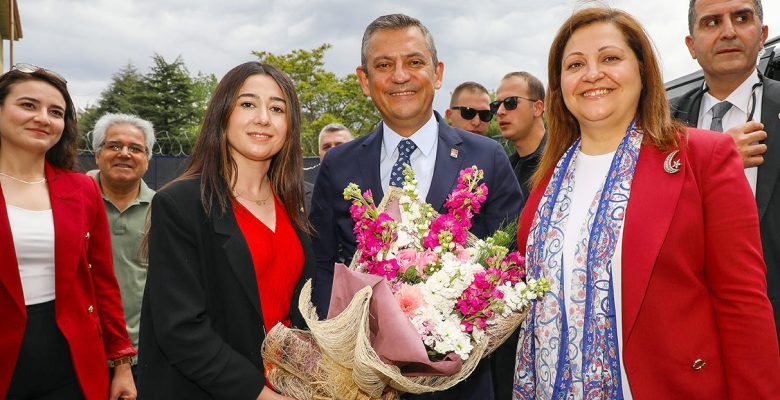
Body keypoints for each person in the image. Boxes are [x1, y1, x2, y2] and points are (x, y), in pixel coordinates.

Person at [514, 7, 780, 399]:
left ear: (642, 71)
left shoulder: (704, 157)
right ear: (560, 86)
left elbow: (742, 306)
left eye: (610, 58)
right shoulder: (546, 186)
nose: (592, 74)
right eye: (575, 64)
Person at [309, 14, 522, 400]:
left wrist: (457, 339)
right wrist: (341, 348)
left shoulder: (487, 158)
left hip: (464, 384)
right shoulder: (338, 166)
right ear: (364, 79)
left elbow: (509, 264)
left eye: (414, 62)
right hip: (364, 386)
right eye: (384, 65)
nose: (400, 76)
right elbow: (323, 263)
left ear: (437, 73)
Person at [136, 62, 313, 400]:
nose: (263, 118)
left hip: (289, 386)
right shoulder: (180, 204)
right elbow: (181, 328)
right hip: (214, 389)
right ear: (222, 114)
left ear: (290, 125)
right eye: (247, 104)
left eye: (277, 108)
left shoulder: (298, 204)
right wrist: (260, 395)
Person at [0, 65, 136, 399]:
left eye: (56, 111)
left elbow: (103, 279)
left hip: (71, 358)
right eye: (28, 105)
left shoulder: (81, 189)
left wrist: (121, 364)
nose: (43, 118)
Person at [671, 0, 780, 341]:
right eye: (711, 22)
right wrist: (713, 158)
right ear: (691, 45)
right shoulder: (663, 124)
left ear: (762, 35)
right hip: (689, 327)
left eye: (742, 18)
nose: (728, 31)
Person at [91, 113, 156, 378]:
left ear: (147, 159)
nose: (125, 154)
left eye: (135, 148)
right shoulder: (72, 204)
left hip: (144, 353)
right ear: (97, 154)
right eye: (114, 146)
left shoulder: (163, 211)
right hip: (82, 349)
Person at [493, 72, 547, 200]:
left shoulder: (562, 161)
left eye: (510, 102)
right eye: (496, 105)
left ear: (537, 108)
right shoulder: (504, 169)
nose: (500, 112)